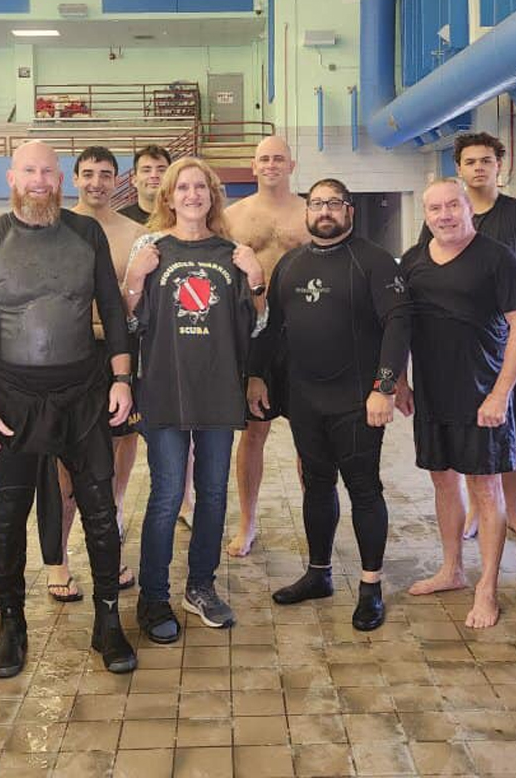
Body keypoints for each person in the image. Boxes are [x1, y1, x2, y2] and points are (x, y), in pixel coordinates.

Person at [0, 140, 136, 678]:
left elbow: (113, 309)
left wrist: (122, 378)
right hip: (10, 396)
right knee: (10, 516)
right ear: (11, 176)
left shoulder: (86, 233)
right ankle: (12, 625)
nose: (39, 180)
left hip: (83, 389)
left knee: (100, 510)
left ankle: (108, 619)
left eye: (48, 172)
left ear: (60, 179)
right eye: (29, 170)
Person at [249, 179, 411, 630]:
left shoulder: (374, 261)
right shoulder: (290, 265)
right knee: (316, 487)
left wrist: (385, 386)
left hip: (357, 400)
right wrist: (258, 375)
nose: (325, 211)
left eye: (333, 204)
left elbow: (398, 325)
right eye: (316, 203)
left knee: (364, 489)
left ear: (349, 211)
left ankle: (370, 586)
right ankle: (318, 574)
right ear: (307, 211)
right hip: (305, 399)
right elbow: (272, 327)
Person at [124, 157, 266, 642]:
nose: (191, 194)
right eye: (182, 187)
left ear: (212, 195)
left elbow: (257, 326)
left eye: (200, 187)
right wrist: (136, 281)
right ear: (168, 196)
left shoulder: (233, 252)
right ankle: (154, 595)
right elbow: (127, 324)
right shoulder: (152, 250)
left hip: (217, 391)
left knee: (213, 495)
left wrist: (257, 279)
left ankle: (201, 586)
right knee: (165, 495)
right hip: (165, 389)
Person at [399, 179, 516, 629]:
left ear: (467, 208)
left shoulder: (497, 257)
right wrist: (398, 379)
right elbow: (399, 325)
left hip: (483, 395)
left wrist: (500, 394)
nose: (444, 215)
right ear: (425, 215)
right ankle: (453, 568)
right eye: (434, 208)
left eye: (452, 205)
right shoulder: (414, 261)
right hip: (434, 394)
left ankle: (488, 587)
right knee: (442, 481)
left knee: (486, 489)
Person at [419, 132, 516, 537]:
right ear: (458, 169)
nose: (478, 167)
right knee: (471, 440)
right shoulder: (445, 216)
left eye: (486, 160)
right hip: (465, 355)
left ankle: (510, 510)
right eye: (470, 161)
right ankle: (479, 510)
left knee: (513, 433)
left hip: (512, 342)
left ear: (499, 166)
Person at [44, 146, 144, 601]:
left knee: (116, 454)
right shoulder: (54, 228)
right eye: (88, 174)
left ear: (118, 179)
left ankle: (110, 536)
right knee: (66, 464)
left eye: (106, 174)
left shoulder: (137, 234)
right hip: (69, 354)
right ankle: (58, 559)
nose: (97, 183)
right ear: (74, 178)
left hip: (120, 352)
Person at [224, 134, 311, 556]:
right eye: (264, 159)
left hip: (303, 334)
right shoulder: (233, 217)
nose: (271, 165)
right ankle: (248, 521)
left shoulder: (311, 213)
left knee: (308, 435)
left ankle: (314, 518)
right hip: (252, 335)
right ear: (254, 167)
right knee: (253, 432)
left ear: (291, 166)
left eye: (279, 158)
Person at [118, 144, 171, 224]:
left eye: (161, 170)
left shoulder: (183, 218)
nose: (154, 175)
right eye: (146, 170)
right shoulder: (119, 221)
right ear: (134, 180)